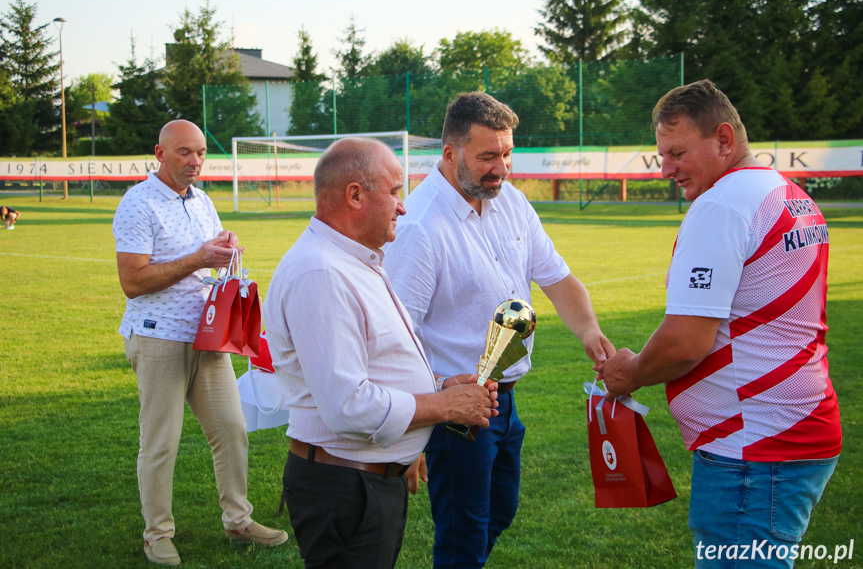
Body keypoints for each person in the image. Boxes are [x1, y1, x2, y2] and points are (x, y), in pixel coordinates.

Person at [598, 80, 841, 568]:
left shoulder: (722, 204)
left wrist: (631, 372)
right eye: (662, 154)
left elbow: (686, 342)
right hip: (791, 429)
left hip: (755, 447)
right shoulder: (787, 192)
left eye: (678, 152)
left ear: (724, 140)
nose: (666, 169)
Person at [383, 92, 615, 569]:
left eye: (507, 154)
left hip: (504, 399)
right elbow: (397, 335)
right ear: (449, 154)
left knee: (500, 511)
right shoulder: (421, 226)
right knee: (462, 536)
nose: (502, 168)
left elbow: (557, 278)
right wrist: (416, 422)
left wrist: (590, 332)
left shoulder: (510, 201)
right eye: (488, 156)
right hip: (456, 409)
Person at [262, 137, 499, 569]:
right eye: (393, 192)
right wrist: (441, 404)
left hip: (364, 479)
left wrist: (439, 386)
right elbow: (348, 407)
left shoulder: (355, 260)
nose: (402, 207)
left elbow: (379, 365)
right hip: (345, 485)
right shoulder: (322, 272)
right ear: (355, 195)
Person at [112, 120, 288, 566]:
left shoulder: (203, 199)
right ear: (160, 153)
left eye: (201, 153)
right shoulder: (139, 203)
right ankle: (157, 534)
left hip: (208, 336)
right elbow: (132, 281)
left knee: (231, 429)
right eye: (185, 153)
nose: (195, 162)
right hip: (157, 337)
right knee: (161, 441)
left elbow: (210, 258)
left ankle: (238, 521)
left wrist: (225, 249)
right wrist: (198, 258)